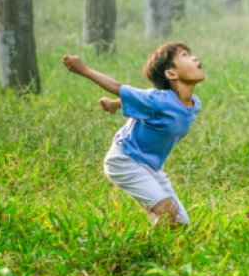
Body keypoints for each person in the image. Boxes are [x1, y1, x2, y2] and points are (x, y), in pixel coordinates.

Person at [62, 43, 204, 228]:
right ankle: (145, 253)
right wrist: (84, 70)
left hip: (150, 167)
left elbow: (143, 103)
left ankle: (161, 246)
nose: (193, 58)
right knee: (167, 213)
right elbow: (117, 87)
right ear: (171, 74)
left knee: (180, 223)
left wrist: (114, 104)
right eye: (184, 55)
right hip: (125, 160)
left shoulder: (194, 104)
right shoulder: (158, 99)